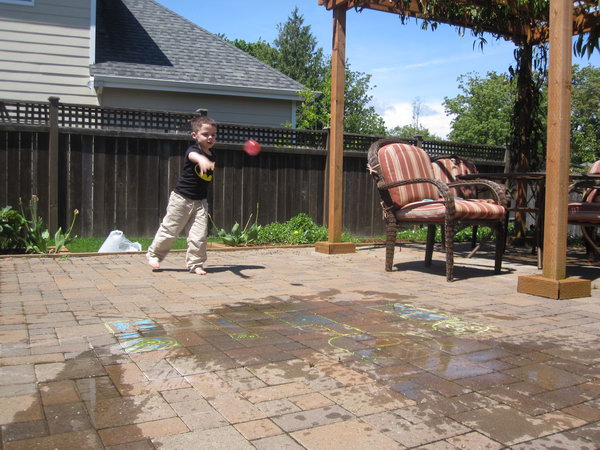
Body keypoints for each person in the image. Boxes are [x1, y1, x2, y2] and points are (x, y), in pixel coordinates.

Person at [146, 115, 217, 275]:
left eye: (213, 134)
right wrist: (201, 160)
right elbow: (193, 156)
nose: (210, 137)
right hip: (181, 199)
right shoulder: (194, 151)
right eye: (206, 134)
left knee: (199, 236)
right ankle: (154, 255)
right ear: (195, 135)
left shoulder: (212, 154)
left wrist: (207, 161)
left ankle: (196, 264)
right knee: (170, 230)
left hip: (200, 202)